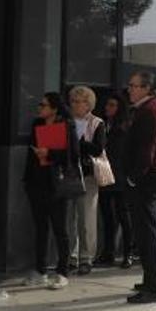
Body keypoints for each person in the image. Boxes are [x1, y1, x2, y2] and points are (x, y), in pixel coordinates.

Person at [125, 71, 156, 305]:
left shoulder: (149, 111)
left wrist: (133, 178)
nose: (129, 89)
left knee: (147, 234)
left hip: (146, 179)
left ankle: (154, 288)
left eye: (133, 86)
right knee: (155, 231)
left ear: (147, 88)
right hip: (154, 177)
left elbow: (146, 151)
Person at [23, 92, 77, 290]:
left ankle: (63, 271)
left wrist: (50, 153)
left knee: (60, 228)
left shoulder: (66, 125)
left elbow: (72, 155)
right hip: (36, 181)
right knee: (40, 228)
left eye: (43, 105)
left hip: (57, 183)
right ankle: (40, 269)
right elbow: (31, 153)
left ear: (54, 108)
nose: (40, 108)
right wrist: (27, 180)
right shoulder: (37, 124)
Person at [65, 86, 107, 276]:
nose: (76, 104)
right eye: (73, 101)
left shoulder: (97, 123)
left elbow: (98, 148)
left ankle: (86, 258)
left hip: (88, 175)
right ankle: (70, 257)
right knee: (69, 218)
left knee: (86, 218)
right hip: (68, 174)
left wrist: (79, 143)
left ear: (88, 104)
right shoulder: (66, 122)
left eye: (80, 101)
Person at [97, 94, 134, 269]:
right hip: (105, 175)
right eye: (107, 105)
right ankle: (108, 253)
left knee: (124, 216)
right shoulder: (104, 125)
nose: (108, 108)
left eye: (112, 105)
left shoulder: (125, 127)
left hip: (120, 176)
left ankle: (128, 253)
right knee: (107, 217)